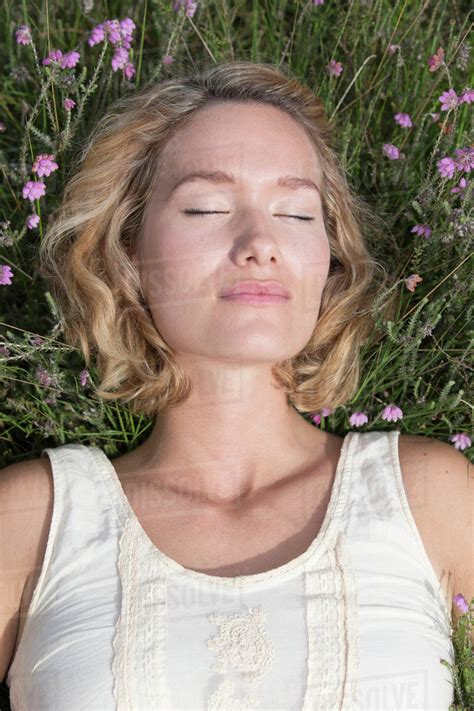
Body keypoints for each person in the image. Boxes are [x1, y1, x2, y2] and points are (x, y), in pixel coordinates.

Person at [1, 60, 471, 710]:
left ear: (330, 259)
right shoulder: (35, 518)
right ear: (128, 252)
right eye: (207, 206)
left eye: (297, 213)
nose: (260, 242)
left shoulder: (431, 498)